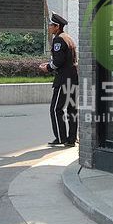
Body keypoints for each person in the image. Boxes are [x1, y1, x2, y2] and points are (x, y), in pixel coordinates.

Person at [40, 13, 78, 146]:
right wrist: (51, 64)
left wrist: (47, 68)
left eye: (51, 25)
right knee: (72, 109)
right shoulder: (69, 38)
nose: (49, 27)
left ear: (57, 26)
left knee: (56, 109)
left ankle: (61, 138)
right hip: (73, 79)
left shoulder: (59, 39)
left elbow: (58, 61)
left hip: (63, 80)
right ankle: (72, 139)